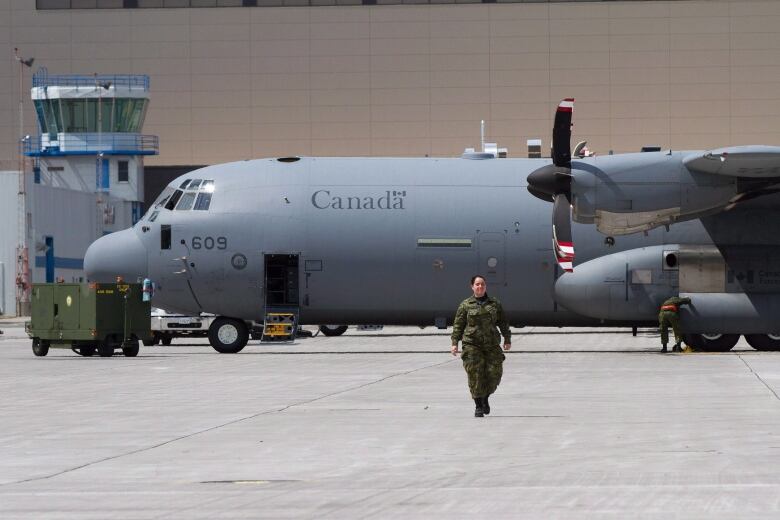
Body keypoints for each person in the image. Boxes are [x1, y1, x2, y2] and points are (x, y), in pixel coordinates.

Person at [451, 275, 512, 417]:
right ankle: (478, 405)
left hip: (491, 344)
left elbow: (503, 322)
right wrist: (455, 343)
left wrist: (507, 339)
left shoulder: (494, 304)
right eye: (477, 284)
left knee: (494, 374)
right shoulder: (465, 305)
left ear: (485, 286)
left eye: (482, 284)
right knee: (475, 374)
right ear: (472, 287)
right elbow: (458, 325)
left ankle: (485, 398)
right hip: (472, 345)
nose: (480, 287)